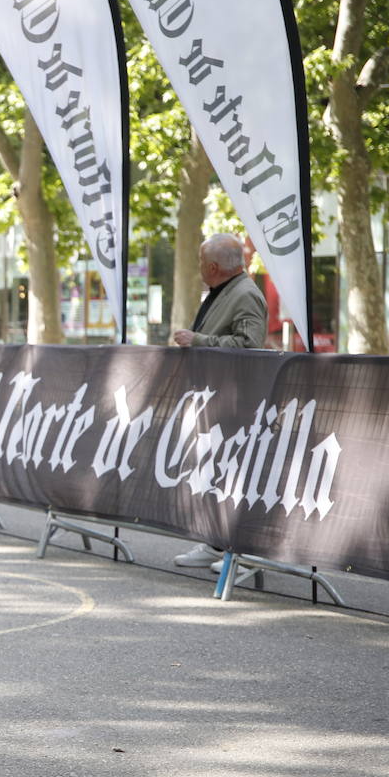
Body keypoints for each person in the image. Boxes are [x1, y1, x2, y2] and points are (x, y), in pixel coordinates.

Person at [171, 233, 267, 570]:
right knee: (216, 473)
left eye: (200, 262)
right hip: (217, 398)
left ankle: (244, 549)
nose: (198, 267)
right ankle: (217, 543)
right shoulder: (228, 290)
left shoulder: (245, 294)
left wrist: (199, 340)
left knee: (237, 475)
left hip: (237, 402)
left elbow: (249, 344)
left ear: (213, 266)